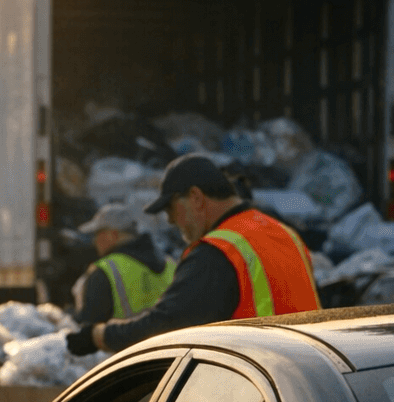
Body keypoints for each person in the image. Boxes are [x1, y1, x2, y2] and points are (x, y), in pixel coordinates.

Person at [66, 153, 321, 357]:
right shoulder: (284, 233)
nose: (171, 221)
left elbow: (165, 325)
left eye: (171, 209)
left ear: (196, 198)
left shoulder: (218, 252)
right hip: (301, 374)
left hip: (256, 387)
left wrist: (97, 336)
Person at [70, 202, 175, 327]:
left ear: (112, 234)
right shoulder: (171, 264)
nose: (94, 240)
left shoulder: (105, 271)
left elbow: (89, 331)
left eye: (97, 234)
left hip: (123, 346)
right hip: (170, 345)